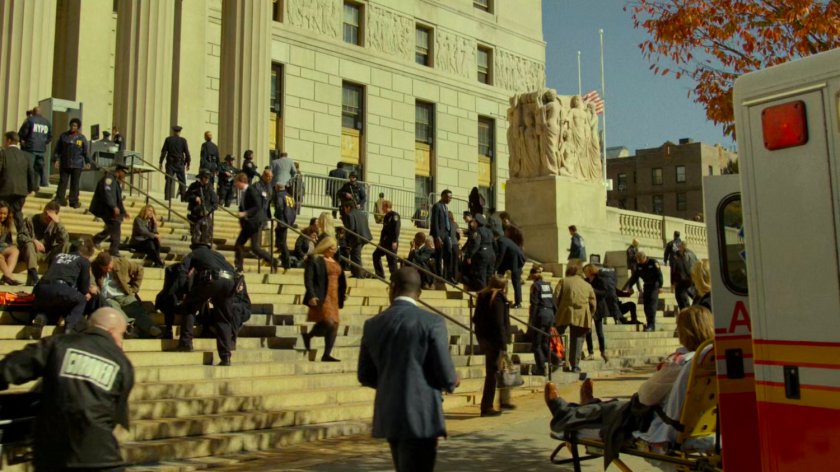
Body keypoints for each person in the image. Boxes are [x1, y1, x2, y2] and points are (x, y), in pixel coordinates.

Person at [545, 306, 715, 459]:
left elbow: (645, 397)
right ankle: (589, 404)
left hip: (660, 425)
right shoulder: (710, 359)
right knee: (612, 407)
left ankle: (562, 412)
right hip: (691, 422)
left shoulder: (680, 362)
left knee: (617, 408)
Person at [0, 307, 133, 472]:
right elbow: (115, 416)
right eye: (122, 335)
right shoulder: (123, 364)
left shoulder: (59, 344)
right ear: (113, 331)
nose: (121, 341)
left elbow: (10, 368)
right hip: (102, 458)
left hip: (54, 457)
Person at [357, 267, 459, 472]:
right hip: (422, 414)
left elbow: (365, 375)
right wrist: (453, 380)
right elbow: (446, 375)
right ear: (419, 293)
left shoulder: (373, 324)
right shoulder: (432, 322)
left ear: (392, 289)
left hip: (390, 413)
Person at [174, 243, 243, 366]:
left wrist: (182, 291)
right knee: (223, 319)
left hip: (211, 280)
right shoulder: (218, 255)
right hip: (230, 282)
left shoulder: (194, 254)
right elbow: (231, 268)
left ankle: (185, 343)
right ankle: (225, 357)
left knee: (189, 306)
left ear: (194, 247)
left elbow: (182, 270)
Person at [31, 238, 96, 333]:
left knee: (53, 307)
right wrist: (88, 292)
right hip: (60, 287)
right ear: (87, 255)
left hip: (40, 288)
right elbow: (83, 289)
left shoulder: (57, 256)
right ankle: (69, 328)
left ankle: (41, 318)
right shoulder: (83, 261)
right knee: (81, 300)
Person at [91, 252, 162, 338]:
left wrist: (135, 288)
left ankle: (151, 328)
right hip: (108, 297)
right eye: (105, 268)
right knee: (114, 309)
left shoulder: (122, 263)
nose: (108, 270)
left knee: (135, 308)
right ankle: (129, 328)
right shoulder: (93, 266)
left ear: (111, 262)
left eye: (109, 267)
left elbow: (139, 269)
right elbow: (91, 280)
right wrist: (95, 288)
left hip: (123, 293)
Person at [302, 236, 347, 362]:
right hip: (322, 294)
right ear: (325, 247)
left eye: (335, 248)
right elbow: (308, 279)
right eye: (331, 248)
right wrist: (311, 294)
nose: (334, 250)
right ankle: (309, 335)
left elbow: (341, 278)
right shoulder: (315, 259)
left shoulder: (335, 260)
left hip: (334, 296)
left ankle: (326, 354)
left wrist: (343, 293)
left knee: (335, 325)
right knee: (329, 322)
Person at [473, 275, 512, 416]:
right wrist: (503, 345)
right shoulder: (498, 298)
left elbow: (475, 319)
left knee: (498, 371)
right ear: (503, 286)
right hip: (495, 341)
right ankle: (487, 406)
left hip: (485, 339)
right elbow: (499, 323)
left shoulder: (482, 296)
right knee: (493, 373)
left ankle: (503, 400)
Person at [554, 262, 597, 373]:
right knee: (577, 339)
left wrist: (558, 309)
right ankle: (575, 365)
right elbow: (593, 303)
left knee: (556, 334)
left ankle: (559, 357)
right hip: (582, 314)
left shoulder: (563, 281)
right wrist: (590, 314)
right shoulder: (587, 285)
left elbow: (556, 297)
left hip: (564, 311)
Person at [232, 173, 276, 272]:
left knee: (242, 245)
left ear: (241, 182)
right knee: (253, 247)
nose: (235, 185)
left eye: (236, 182)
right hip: (250, 223)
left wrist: (245, 213)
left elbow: (258, 206)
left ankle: (239, 267)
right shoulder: (246, 191)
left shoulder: (251, 190)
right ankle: (272, 260)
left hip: (253, 223)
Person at [19, 200, 69, 286]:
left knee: (66, 245)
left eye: (50, 216)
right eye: (46, 214)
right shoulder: (30, 219)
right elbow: (20, 237)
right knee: (29, 244)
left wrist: (58, 224)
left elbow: (64, 241)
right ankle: (33, 275)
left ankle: (56, 275)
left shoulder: (56, 223)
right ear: (44, 210)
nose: (47, 217)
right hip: (33, 252)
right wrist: (33, 241)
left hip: (49, 253)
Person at [583, 264, 622, 363]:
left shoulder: (600, 279)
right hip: (588, 307)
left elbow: (605, 292)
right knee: (588, 330)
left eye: (586, 271)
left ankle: (602, 351)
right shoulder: (586, 281)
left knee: (599, 331)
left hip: (599, 307)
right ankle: (590, 352)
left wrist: (592, 291)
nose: (585, 273)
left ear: (590, 271)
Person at [0, 131, 38, 231]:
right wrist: (31, 188)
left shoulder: (3, 153)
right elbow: (31, 173)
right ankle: (24, 238)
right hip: (21, 191)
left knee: (2, 215)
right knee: (17, 214)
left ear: (8, 140)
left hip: (5, 190)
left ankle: (4, 239)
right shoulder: (26, 156)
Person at [90, 164, 129, 257]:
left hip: (110, 209)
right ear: (119, 171)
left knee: (112, 227)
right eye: (124, 173)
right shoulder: (109, 179)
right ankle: (114, 249)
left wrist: (124, 211)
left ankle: (96, 240)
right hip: (105, 208)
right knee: (115, 225)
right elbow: (107, 194)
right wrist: (113, 206)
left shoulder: (115, 181)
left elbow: (118, 199)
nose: (124, 175)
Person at [621, 250, 664, 332]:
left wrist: (661, 286)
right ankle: (649, 323)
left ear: (644, 258)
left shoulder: (653, 262)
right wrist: (629, 286)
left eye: (640, 260)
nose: (639, 261)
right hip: (647, 286)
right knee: (646, 306)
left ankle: (651, 325)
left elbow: (659, 275)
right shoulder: (639, 265)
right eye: (638, 260)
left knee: (651, 305)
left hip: (654, 285)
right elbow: (634, 277)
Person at [53, 118, 90, 208]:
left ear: (78, 127)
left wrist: (87, 161)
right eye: (72, 125)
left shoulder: (81, 138)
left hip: (77, 164)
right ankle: (60, 199)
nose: (73, 127)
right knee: (63, 181)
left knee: (75, 183)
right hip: (65, 163)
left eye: (75, 126)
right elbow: (58, 150)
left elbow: (85, 151)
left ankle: (73, 201)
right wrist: (56, 160)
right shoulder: (64, 136)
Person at [528, 266, 555, 375]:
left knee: (537, 344)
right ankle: (555, 360)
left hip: (540, 315)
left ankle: (541, 367)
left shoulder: (535, 286)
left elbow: (534, 303)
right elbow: (553, 301)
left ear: (533, 275)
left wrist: (531, 320)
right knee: (545, 343)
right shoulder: (548, 285)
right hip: (550, 314)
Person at [18, 106, 52, 187]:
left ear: (33, 112)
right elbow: (50, 137)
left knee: (30, 166)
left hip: (30, 147)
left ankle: (31, 184)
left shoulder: (30, 120)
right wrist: (44, 142)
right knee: (41, 166)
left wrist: (23, 141)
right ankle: (43, 182)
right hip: (41, 148)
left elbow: (23, 133)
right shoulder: (47, 122)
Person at [185, 169, 219, 246]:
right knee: (195, 237)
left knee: (206, 238)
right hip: (195, 215)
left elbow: (215, 203)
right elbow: (186, 196)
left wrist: (208, 210)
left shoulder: (210, 189)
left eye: (208, 178)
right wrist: (195, 198)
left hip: (205, 216)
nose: (207, 179)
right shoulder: (194, 186)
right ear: (201, 177)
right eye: (205, 177)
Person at [340, 200, 372, 278]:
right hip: (364, 236)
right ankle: (355, 273)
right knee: (354, 254)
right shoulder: (362, 213)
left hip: (357, 238)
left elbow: (351, 228)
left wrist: (346, 238)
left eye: (345, 208)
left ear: (348, 207)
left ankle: (359, 274)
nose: (344, 210)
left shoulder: (350, 215)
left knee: (356, 256)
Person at [495, 225, 526, 308]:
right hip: (509, 260)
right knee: (499, 275)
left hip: (516, 260)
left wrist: (494, 268)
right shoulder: (504, 240)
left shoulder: (501, 241)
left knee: (515, 281)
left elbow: (501, 255)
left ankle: (518, 303)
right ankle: (499, 297)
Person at [159, 125, 191, 201]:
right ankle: (183, 199)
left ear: (173, 131)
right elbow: (187, 153)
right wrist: (188, 163)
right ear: (179, 132)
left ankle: (167, 198)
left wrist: (161, 162)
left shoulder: (168, 139)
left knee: (169, 181)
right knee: (182, 182)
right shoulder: (183, 140)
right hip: (179, 163)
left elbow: (163, 152)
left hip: (170, 163)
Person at [465, 214, 496, 290]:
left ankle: (483, 295)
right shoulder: (489, 231)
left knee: (481, 275)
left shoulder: (478, 231)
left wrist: (470, 256)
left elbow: (476, 244)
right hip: (491, 254)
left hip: (482, 255)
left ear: (477, 222)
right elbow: (495, 244)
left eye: (474, 222)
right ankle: (490, 295)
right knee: (489, 276)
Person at [430, 189, 455, 283]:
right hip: (439, 235)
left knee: (449, 254)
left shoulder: (445, 207)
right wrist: (437, 237)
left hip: (446, 234)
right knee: (439, 255)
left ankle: (449, 275)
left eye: (451, 197)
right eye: (448, 197)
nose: (450, 199)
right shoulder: (437, 206)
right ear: (443, 196)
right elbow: (434, 222)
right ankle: (439, 275)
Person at [272, 182, 297, 271]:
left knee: (283, 242)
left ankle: (287, 262)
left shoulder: (279, 195)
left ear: (278, 188)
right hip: (288, 220)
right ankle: (280, 251)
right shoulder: (289, 196)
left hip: (282, 219)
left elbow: (279, 207)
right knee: (278, 234)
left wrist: (276, 216)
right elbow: (294, 208)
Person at [372, 199, 400, 279]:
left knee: (391, 260)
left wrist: (394, 241)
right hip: (385, 242)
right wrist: (380, 241)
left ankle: (395, 278)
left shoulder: (395, 215)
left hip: (391, 242)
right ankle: (380, 274)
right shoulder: (386, 216)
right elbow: (384, 230)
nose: (381, 209)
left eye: (382, 207)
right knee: (376, 255)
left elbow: (396, 229)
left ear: (387, 206)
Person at [671, 241, 699, 310]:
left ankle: (687, 314)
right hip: (691, 279)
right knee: (694, 297)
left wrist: (673, 281)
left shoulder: (682, 255)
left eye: (679, 246)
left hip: (683, 280)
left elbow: (678, 268)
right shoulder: (692, 254)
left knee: (682, 300)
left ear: (681, 247)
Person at [0, 202, 21, 285]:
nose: (2, 216)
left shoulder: (7, 223)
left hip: (2, 247)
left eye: (5, 213)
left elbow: (9, 241)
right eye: (0, 213)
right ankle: (9, 276)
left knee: (15, 251)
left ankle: (6, 276)